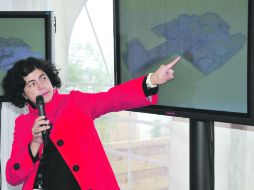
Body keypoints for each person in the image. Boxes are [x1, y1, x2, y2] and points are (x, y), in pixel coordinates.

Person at [2, 56, 180, 190]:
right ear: (23, 94)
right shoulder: (24, 124)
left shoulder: (75, 103)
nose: (41, 86)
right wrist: (35, 143)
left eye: (42, 78)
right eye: (31, 84)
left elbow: (112, 98)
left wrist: (152, 80)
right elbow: (13, 177)